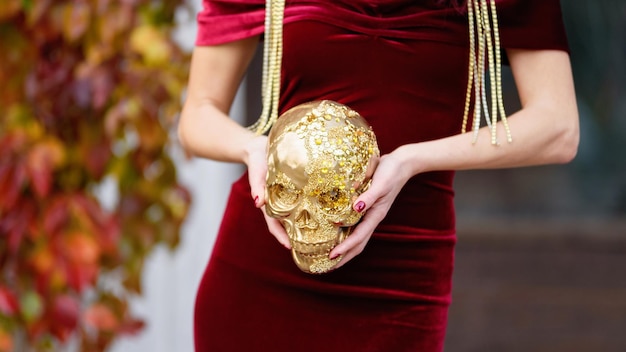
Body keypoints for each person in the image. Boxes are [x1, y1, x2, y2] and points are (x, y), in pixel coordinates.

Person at [178, 0, 579, 351]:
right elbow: (196, 117)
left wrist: (410, 160)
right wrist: (256, 150)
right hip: (262, 276)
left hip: (400, 283)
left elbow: (558, 129)